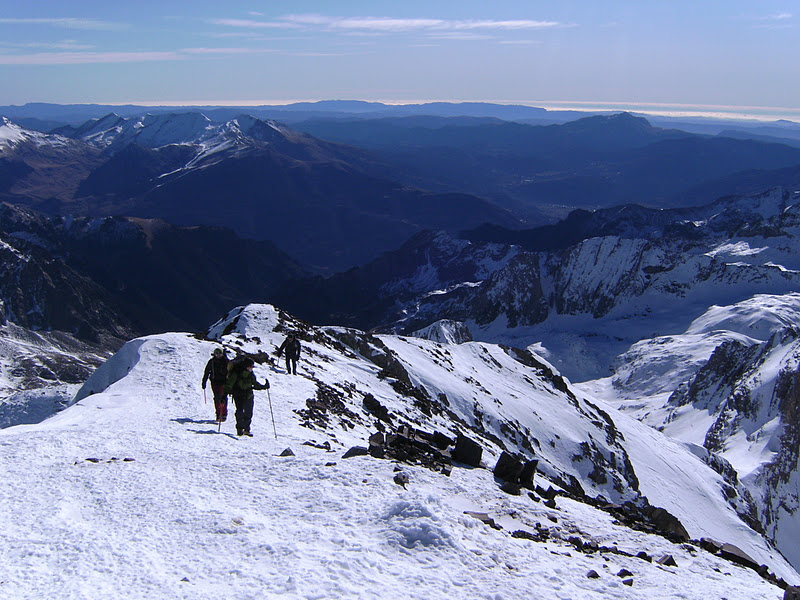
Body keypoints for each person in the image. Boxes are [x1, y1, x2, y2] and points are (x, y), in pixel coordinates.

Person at [224, 357, 269, 437]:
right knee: (240, 411)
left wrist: (263, 386)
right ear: (246, 366)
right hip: (238, 394)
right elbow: (229, 384)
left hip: (248, 394)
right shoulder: (237, 373)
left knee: (248, 412)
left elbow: (254, 383)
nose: (252, 368)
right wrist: (224, 395)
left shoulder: (251, 374)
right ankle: (240, 429)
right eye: (250, 366)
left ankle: (246, 429)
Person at [202, 347, 229, 422]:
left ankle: (223, 414)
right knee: (217, 398)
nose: (218, 355)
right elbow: (207, 371)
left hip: (224, 382)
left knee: (223, 398)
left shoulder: (226, 361)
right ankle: (218, 414)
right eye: (216, 354)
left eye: (219, 353)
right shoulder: (212, 362)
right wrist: (204, 381)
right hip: (215, 382)